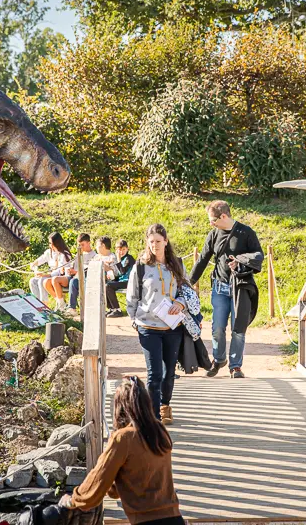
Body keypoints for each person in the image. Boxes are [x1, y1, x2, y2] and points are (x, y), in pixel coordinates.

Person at [58, 375, 183, 525]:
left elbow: (97, 483)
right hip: (175, 518)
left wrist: (72, 500)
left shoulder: (123, 438)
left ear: (120, 407)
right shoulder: (160, 431)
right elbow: (116, 488)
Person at [188, 200, 263, 379]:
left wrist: (240, 260)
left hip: (240, 288)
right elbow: (202, 260)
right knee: (217, 327)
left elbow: (258, 255)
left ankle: (235, 366)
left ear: (223, 216)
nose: (210, 223)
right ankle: (219, 359)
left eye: (213, 220)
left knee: (238, 329)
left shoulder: (246, 232)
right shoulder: (213, 234)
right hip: (219, 287)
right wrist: (189, 282)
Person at [127, 223, 193, 424]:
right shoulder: (140, 266)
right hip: (148, 326)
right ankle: (153, 416)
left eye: (158, 241)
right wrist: (135, 320)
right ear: (147, 242)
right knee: (154, 373)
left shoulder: (177, 264)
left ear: (165, 241)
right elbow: (132, 296)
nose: (154, 245)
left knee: (169, 372)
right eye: (151, 241)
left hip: (172, 326)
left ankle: (165, 406)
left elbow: (187, 291)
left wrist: (181, 304)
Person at [30, 232, 72, 309]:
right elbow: (41, 259)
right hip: (51, 276)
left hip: (59, 276)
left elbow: (60, 271)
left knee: (42, 280)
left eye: (52, 243)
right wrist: (34, 264)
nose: (50, 245)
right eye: (49, 243)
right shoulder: (49, 252)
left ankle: (44, 305)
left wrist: (45, 275)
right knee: (32, 281)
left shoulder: (64, 254)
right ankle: (37, 304)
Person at [66, 233, 96, 313]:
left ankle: (87, 308)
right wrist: (70, 270)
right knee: (73, 282)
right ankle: (72, 308)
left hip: (88, 279)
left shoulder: (94, 255)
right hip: (77, 278)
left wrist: (76, 272)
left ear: (89, 243)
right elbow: (74, 267)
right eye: (79, 245)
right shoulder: (78, 255)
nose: (81, 247)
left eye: (83, 245)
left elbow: (90, 270)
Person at [105, 239, 135, 318]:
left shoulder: (129, 258)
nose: (121, 252)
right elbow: (119, 275)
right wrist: (112, 278)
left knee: (108, 286)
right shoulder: (121, 259)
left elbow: (123, 272)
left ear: (127, 249)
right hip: (122, 281)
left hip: (129, 282)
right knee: (106, 285)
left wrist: (118, 260)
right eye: (119, 250)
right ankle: (112, 309)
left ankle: (118, 310)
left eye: (123, 249)